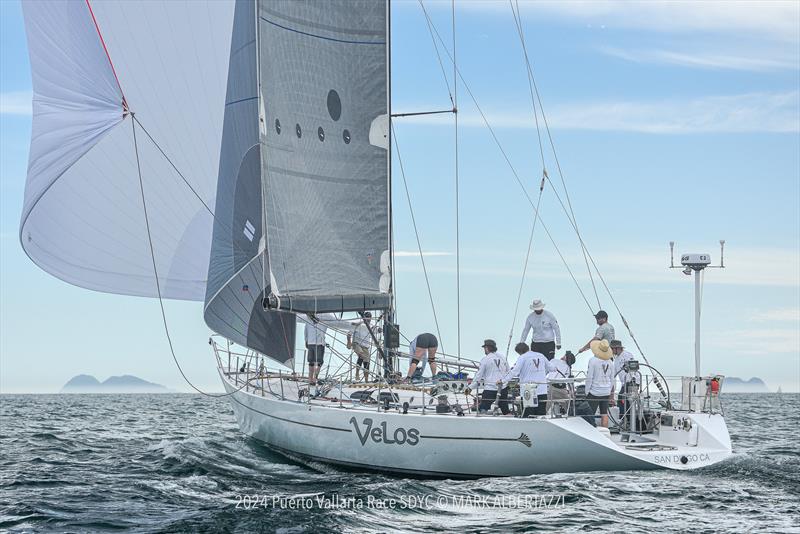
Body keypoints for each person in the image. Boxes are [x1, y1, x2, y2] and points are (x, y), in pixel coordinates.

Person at [298, 313, 352, 385]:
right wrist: (351, 324)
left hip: (312, 343)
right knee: (318, 362)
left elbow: (305, 331)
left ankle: (311, 379)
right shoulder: (324, 317)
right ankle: (314, 379)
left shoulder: (309, 319)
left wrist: (306, 341)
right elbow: (336, 321)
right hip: (318, 343)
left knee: (312, 362)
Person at [503, 342, 548, 416]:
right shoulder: (541, 355)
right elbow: (551, 368)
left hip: (528, 391)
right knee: (541, 414)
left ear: (519, 352)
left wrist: (503, 380)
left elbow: (514, 372)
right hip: (542, 390)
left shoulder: (522, 357)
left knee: (528, 414)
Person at [471, 339, 510, 414]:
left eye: (484, 348)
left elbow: (478, 376)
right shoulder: (502, 357)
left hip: (490, 389)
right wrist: (505, 382)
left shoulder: (485, 359)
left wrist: (470, 387)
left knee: (483, 408)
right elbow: (508, 371)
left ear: (487, 348)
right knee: (505, 410)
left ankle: (483, 419)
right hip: (502, 388)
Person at [584, 339, 616, 427]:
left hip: (594, 391)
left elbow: (589, 377)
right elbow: (612, 379)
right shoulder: (610, 362)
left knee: (590, 413)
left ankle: (590, 431)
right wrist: (609, 391)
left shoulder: (593, 360)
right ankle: (605, 431)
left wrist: (587, 391)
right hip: (606, 391)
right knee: (604, 413)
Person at [611, 340, 639, 427]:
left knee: (623, 399)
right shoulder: (616, 360)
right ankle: (625, 420)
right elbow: (614, 374)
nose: (611, 351)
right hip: (624, 383)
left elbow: (633, 367)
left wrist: (632, 379)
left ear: (617, 348)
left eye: (612, 349)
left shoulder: (627, 355)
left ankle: (626, 420)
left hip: (632, 381)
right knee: (622, 401)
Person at [546, 351, 576, 416]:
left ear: (565, 357)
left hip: (551, 388)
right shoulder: (569, 369)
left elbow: (546, 370)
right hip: (562, 390)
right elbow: (570, 382)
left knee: (544, 408)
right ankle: (572, 415)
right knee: (569, 409)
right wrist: (572, 392)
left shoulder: (554, 361)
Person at [348, 312, 375, 381]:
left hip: (365, 347)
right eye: (367, 317)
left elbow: (375, 333)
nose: (369, 319)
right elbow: (349, 333)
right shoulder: (358, 324)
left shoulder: (371, 326)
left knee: (367, 362)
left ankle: (366, 379)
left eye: (370, 317)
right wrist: (349, 342)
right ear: (364, 317)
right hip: (357, 344)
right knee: (361, 355)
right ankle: (357, 373)